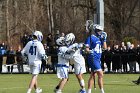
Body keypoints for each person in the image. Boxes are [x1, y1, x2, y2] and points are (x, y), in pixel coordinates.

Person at [85, 20, 106, 93]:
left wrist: (104, 40)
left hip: (98, 58)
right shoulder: (91, 37)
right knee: (100, 74)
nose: (101, 32)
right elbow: (86, 48)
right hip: (93, 58)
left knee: (93, 74)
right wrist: (90, 51)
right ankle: (102, 91)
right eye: (100, 31)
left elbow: (105, 48)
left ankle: (90, 91)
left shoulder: (100, 38)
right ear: (96, 30)